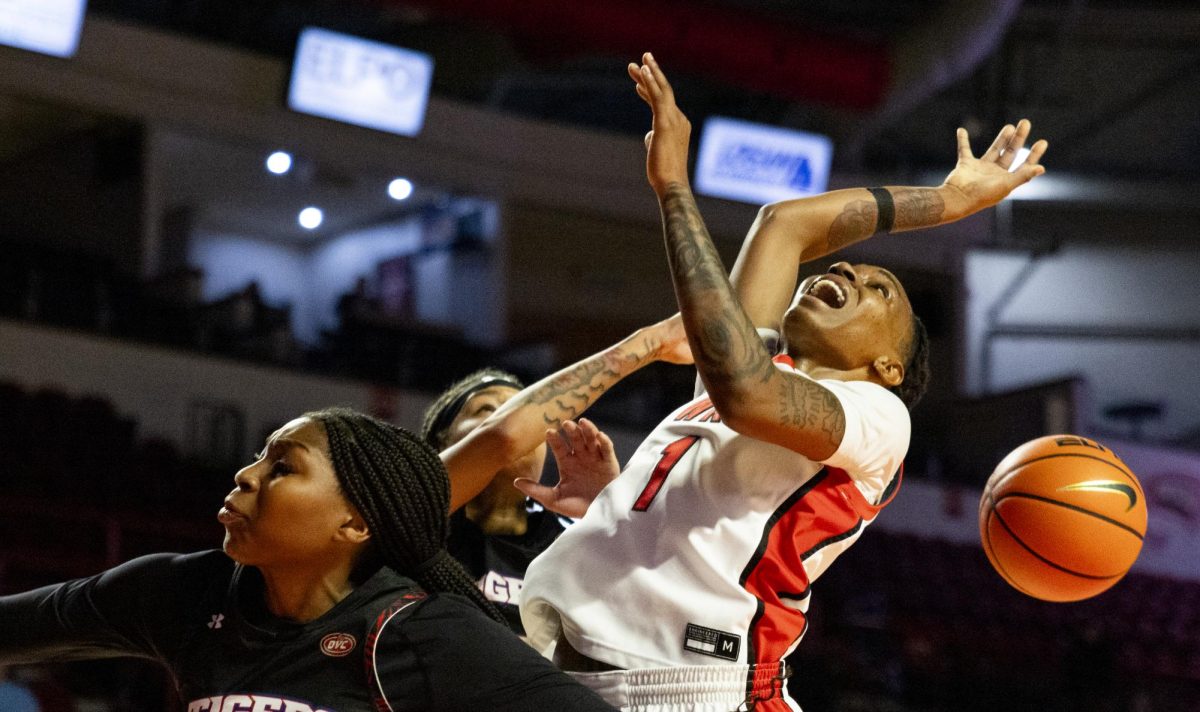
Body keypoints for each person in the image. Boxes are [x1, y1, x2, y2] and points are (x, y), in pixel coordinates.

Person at [512, 53, 1050, 712]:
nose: (852, 272)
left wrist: (676, 188)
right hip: (575, 662)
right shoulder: (747, 373)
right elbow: (783, 224)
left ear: (889, 366)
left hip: (686, 689)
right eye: (852, 269)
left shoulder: (879, 417)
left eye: (880, 289)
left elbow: (746, 392)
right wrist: (943, 202)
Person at [0, 407, 618, 711]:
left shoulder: (424, 634)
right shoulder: (184, 594)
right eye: (259, 458)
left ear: (354, 523)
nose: (245, 475)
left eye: (282, 467)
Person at [420, 368, 622, 635]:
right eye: (488, 410)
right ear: (440, 443)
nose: (516, 427)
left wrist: (610, 517)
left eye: (529, 418)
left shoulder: (573, 536)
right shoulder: (414, 524)